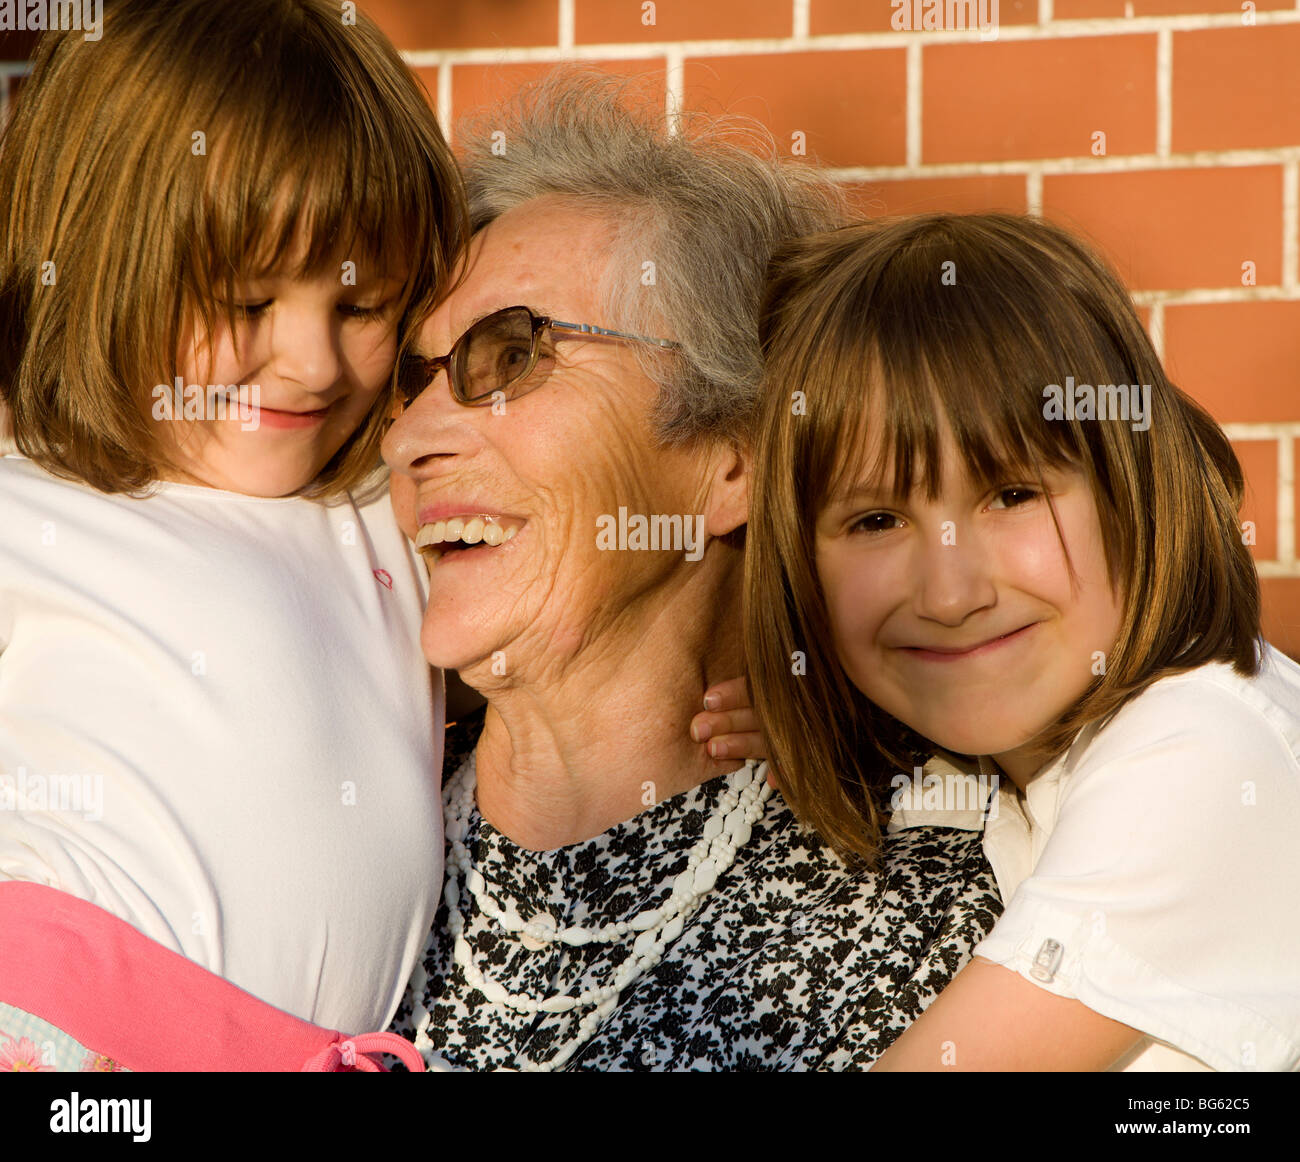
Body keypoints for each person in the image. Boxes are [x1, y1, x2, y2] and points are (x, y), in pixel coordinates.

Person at [382, 74, 1004, 1072]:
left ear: (733, 457)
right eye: (411, 380)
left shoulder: (935, 914)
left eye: (508, 356)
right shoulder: (330, 838)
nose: (409, 435)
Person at [0, 0, 466, 1071]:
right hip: (55, 1038)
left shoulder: (378, 508)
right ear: (99, 264)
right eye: (245, 302)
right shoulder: (31, 512)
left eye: (363, 306)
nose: (309, 362)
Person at [744, 213, 1300, 1071]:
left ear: (1133, 482)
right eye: (878, 519)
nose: (952, 593)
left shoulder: (1201, 750)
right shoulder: (1018, 763)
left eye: (1011, 495)